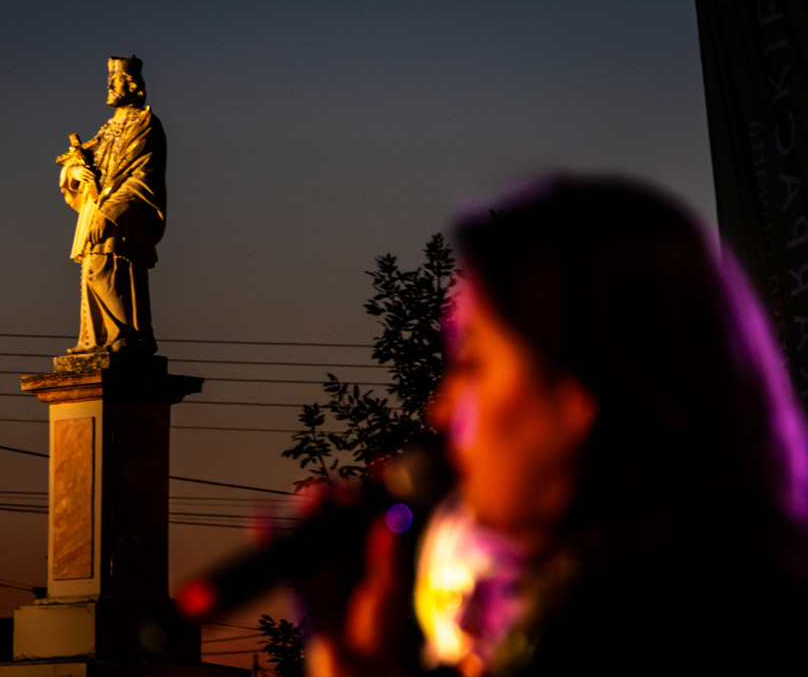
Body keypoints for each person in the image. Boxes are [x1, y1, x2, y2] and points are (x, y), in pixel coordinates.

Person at [310, 175, 808, 676]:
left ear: (578, 392)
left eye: (471, 364)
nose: (439, 411)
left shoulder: (638, 635)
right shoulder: (733, 595)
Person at [57, 55, 166, 354]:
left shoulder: (145, 125)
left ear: (132, 86)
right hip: (96, 209)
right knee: (93, 272)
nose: (109, 88)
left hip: (123, 216)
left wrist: (112, 211)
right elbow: (77, 164)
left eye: (114, 82)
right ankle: (98, 339)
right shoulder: (106, 129)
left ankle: (124, 336)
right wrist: (75, 171)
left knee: (107, 270)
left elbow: (144, 175)